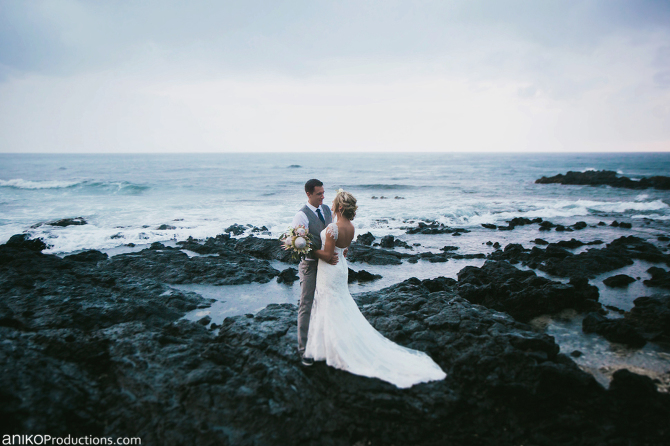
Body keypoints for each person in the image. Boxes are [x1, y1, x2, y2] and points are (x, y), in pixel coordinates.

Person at [303, 190, 447, 388]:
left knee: (329, 304)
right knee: (338, 303)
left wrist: (307, 247)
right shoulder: (351, 227)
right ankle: (330, 346)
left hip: (330, 270)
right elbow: (344, 250)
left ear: (340, 208)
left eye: (335, 203)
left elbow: (327, 255)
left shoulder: (331, 228)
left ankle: (331, 350)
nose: (332, 205)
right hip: (341, 268)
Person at [292, 179, 337, 366]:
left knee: (326, 303)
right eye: (319, 193)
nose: (323, 196)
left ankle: (322, 344)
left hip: (327, 267)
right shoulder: (301, 216)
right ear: (308, 194)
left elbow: (331, 235)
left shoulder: (327, 210)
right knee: (307, 304)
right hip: (310, 266)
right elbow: (300, 247)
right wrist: (324, 256)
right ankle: (304, 350)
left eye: (324, 192)